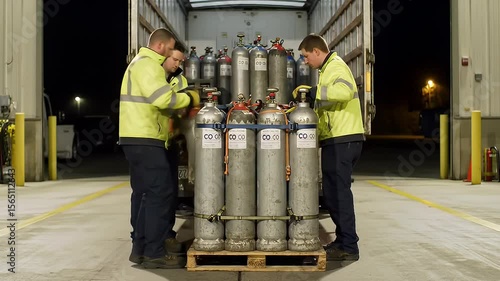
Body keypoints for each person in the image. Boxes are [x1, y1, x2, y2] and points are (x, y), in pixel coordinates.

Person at [119, 28, 199, 269]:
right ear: (163, 47)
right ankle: (154, 252)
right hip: (144, 137)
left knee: (146, 195)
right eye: (173, 53)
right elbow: (162, 100)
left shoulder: (145, 64)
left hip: (142, 137)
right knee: (159, 193)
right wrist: (192, 99)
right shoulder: (147, 65)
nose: (174, 63)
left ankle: (140, 248)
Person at [294, 34, 365, 261]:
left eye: (306, 56)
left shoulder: (336, 66)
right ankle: (343, 240)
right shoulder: (327, 70)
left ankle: (349, 246)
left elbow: (344, 93)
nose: (305, 61)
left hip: (344, 138)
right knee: (333, 194)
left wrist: (313, 92)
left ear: (316, 51)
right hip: (337, 139)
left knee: (339, 194)